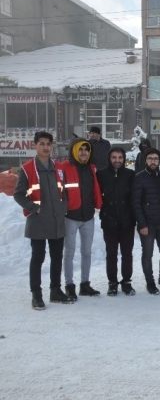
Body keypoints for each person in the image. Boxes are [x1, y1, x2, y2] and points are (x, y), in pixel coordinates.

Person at [14, 131, 72, 309]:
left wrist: (63, 207)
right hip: (38, 221)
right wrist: (34, 208)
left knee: (56, 257)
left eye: (48, 144)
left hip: (56, 221)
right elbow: (18, 194)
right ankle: (36, 295)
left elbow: (65, 191)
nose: (46, 147)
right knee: (37, 258)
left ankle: (55, 290)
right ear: (35, 145)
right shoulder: (27, 168)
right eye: (42, 144)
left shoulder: (58, 168)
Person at [59, 138, 103, 300]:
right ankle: (69, 285)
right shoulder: (64, 167)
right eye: (81, 149)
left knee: (86, 252)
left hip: (88, 217)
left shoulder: (92, 168)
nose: (84, 152)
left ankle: (85, 284)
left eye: (87, 149)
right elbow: (58, 190)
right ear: (74, 151)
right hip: (70, 217)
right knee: (69, 252)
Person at [97, 147, 137, 296]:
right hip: (109, 220)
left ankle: (126, 282)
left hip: (127, 221)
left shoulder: (130, 174)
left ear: (124, 159)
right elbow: (98, 197)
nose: (117, 160)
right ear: (109, 158)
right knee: (111, 253)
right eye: (114, 157)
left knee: (127, 253)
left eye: (120, 157)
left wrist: (132, 218)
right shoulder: (101, 175)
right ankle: (112, 283)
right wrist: (105, 215)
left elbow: (134, 198)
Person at [132, 147, 160, 295]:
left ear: (159, 161)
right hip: (147, 225)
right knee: (147, 254)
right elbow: (136, 203)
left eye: (155, 159)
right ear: (146, 161)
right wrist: (141, 224)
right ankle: (150, 282)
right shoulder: (139, 177)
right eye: (150, 159)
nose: (153, 161)